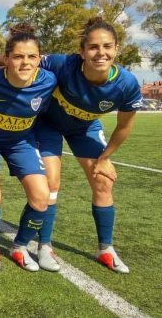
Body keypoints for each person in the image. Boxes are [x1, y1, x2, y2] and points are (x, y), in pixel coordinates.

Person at [34, 17, 142, 273]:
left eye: (107, 46)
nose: (100, 53)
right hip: (48, 124)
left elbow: (123, 127)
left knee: (103, 181)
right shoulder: (63, 64)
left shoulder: (127, 84)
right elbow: (21, 59)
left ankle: (106, 249)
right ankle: (44, 245)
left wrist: (104, 158)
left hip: (84, 127)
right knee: (51, 181)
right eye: (93, 47)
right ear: (82, 52)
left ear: (116, 49)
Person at [0, 23, 56, 272]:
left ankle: (20, 246)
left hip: (20, 141)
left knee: (42, 196)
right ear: (6, 59)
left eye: (31, 57)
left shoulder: (48, 81)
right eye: (18, 57)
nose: (25, 63)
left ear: (39, 59)